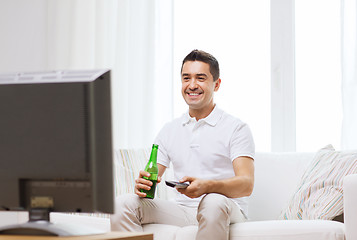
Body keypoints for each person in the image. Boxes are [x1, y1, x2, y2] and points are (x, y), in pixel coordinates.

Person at [111, 50, 255, 240]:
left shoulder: (236, 128)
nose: (192, 85)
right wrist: (144, 183)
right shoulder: (169, 130)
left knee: (212, 202)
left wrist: (207, 186)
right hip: (182, 211)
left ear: (216, 84)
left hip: (226, 208)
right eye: (186, 78)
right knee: (122, 204)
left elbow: (246, 184)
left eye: (200, 78)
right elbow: (153, 175)